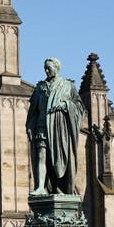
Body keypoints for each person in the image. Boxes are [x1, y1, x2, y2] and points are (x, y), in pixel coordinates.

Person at [25, 56, 84, 196]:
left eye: (49, 68)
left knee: (57, 160)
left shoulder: (68, 86)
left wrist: (65, 105)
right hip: (41, 126)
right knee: (41, 156)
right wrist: (30, 126)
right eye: (45, 68)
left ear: (57, 68)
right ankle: (40, 187)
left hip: (59, 129)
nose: (46, 70)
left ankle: (59, 187)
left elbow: (80, 107)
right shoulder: (39, 88)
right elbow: (33, 111)